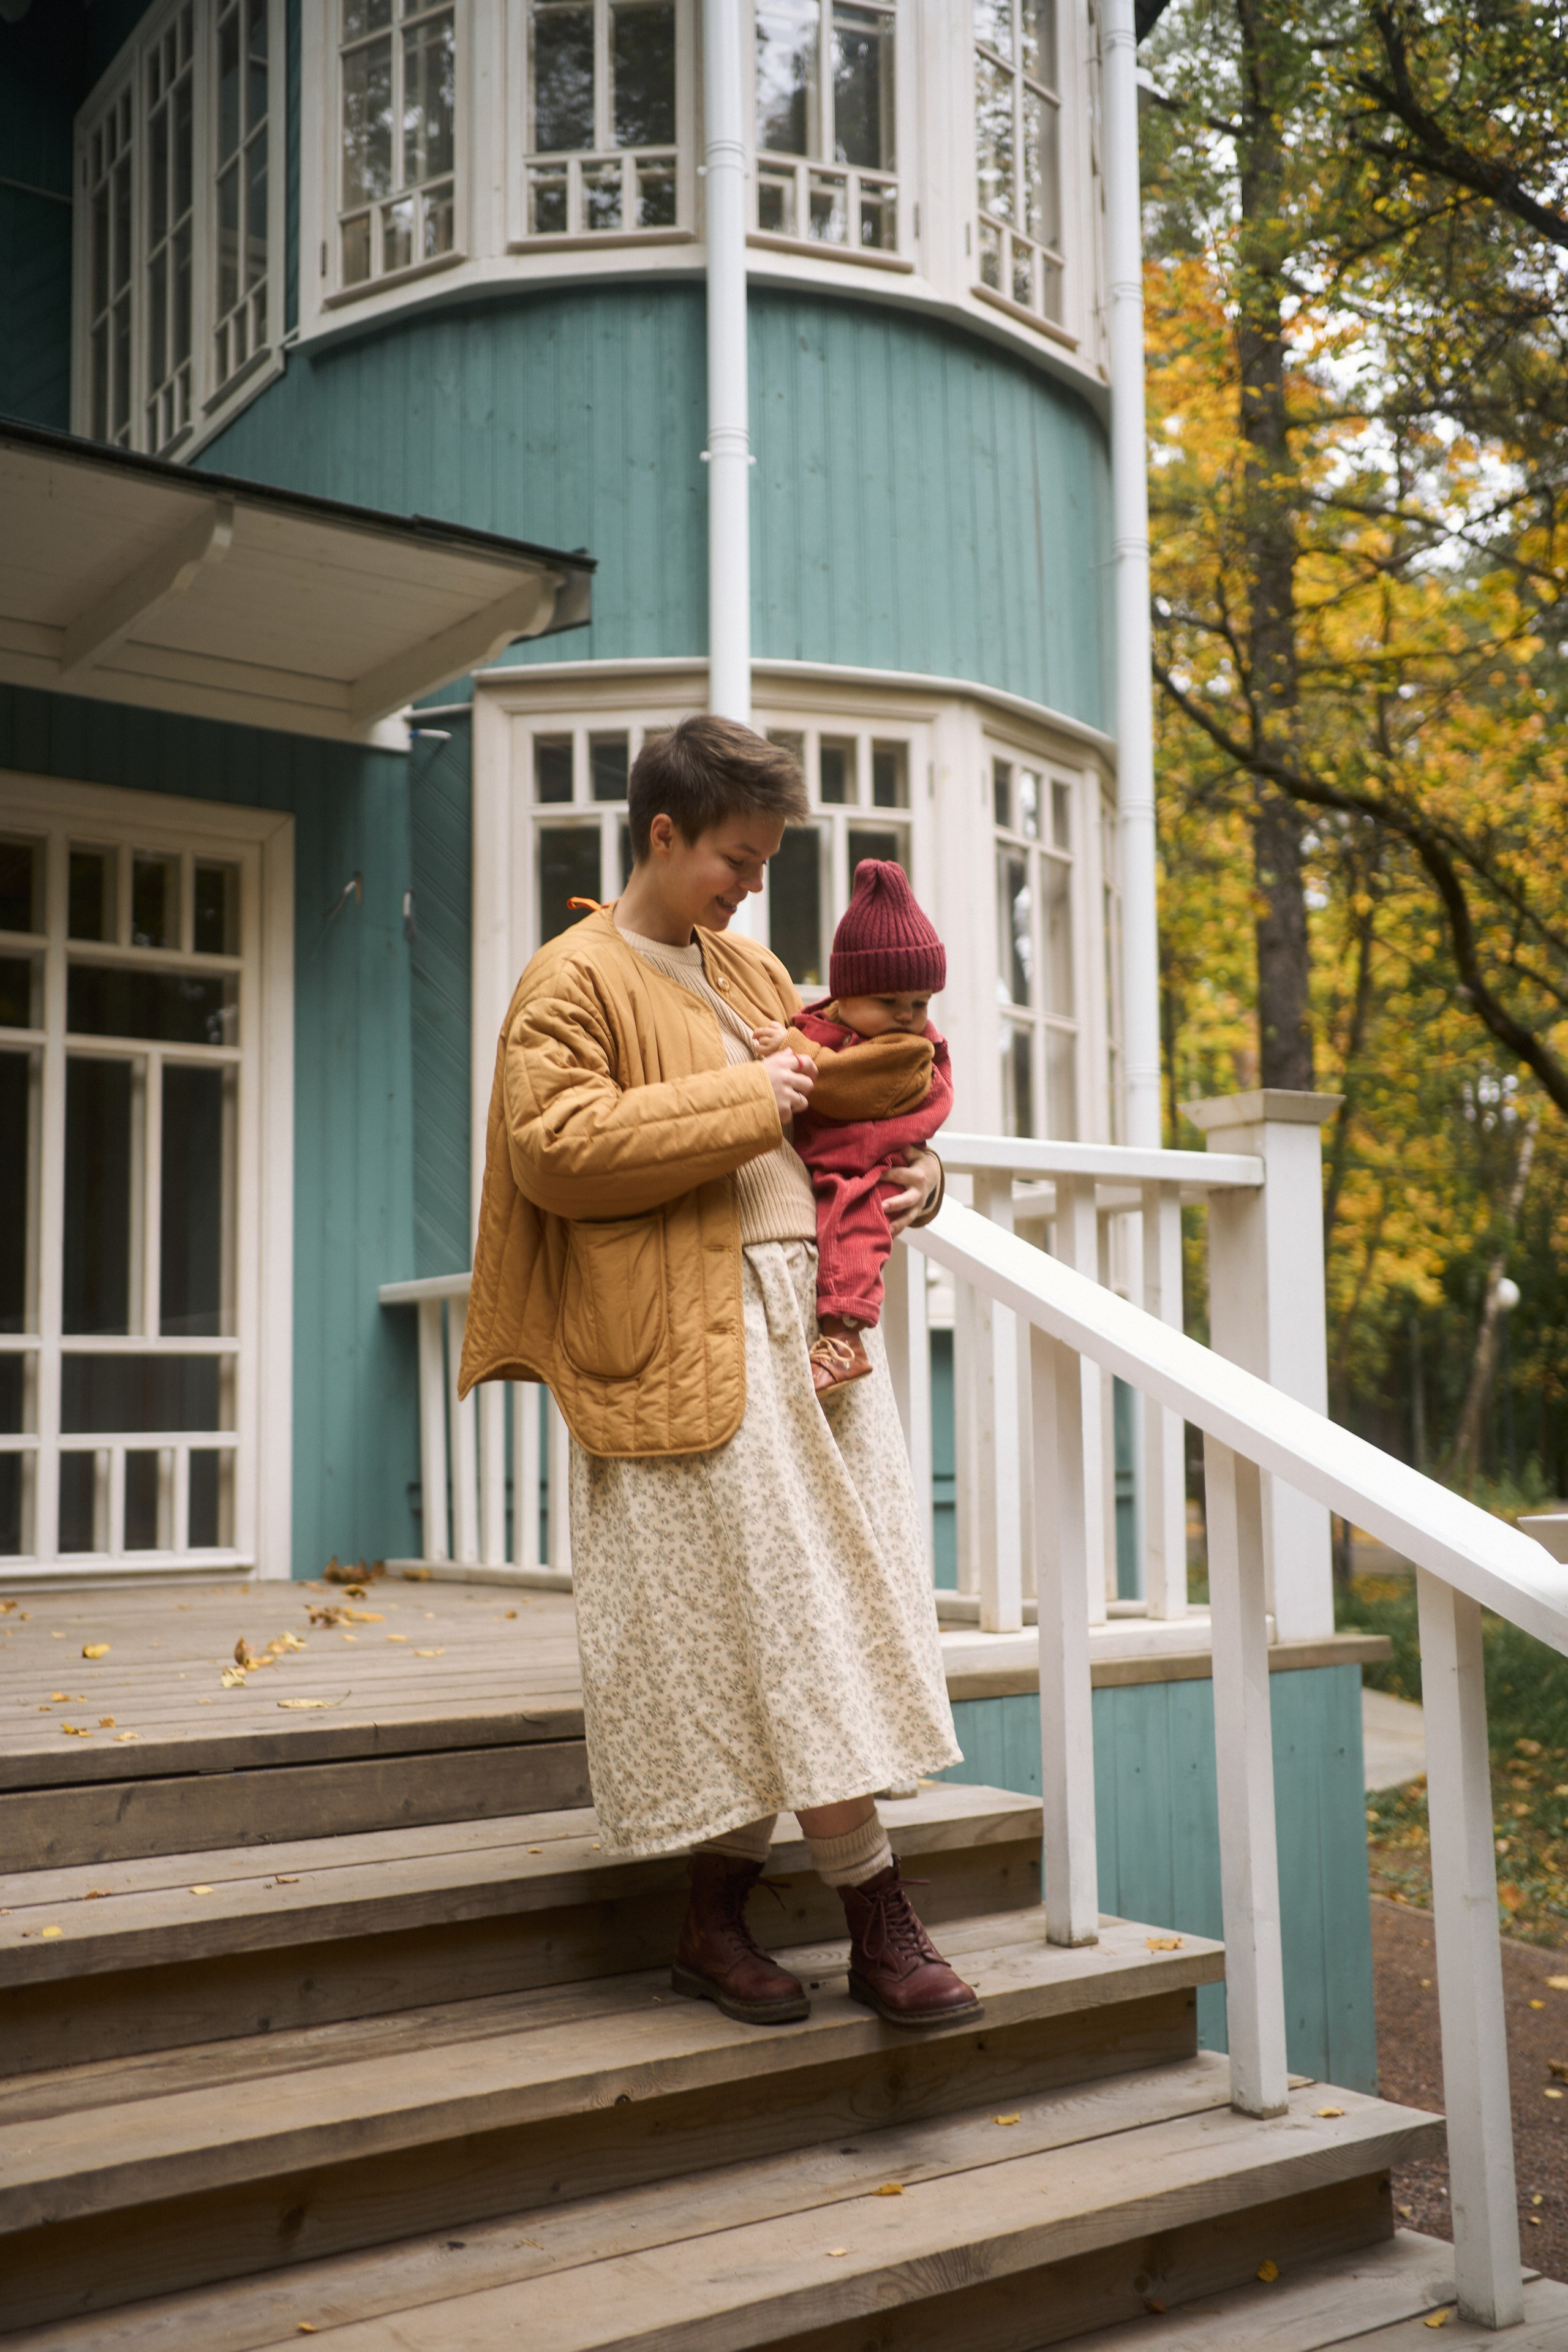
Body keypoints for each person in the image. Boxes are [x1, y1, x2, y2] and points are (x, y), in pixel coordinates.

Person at [459, 715, 980, 2032]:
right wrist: (759, 1096)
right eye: (733, 862)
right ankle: (877, 1917)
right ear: (662, 833)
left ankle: (711, 1920)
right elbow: (557, 1150)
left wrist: (922, 1172)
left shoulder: (744, 969)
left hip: (811, 1331)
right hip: (692, 1331)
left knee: (790, 1620)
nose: (750, 889)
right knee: (788, 1618)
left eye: (762, 866)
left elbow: (851, 1094)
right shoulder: (569, 980)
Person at [750, 859, 952, 1400]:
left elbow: (841, 1085)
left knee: (852, 1228)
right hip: (836, 1155)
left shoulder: (908, 1051)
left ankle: (845, 1338)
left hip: (869, 1166)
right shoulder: (831, 1021)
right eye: (889, 1002)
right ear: (847, 992)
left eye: (920, 1003)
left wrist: (788, 1048)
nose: (909, 1015)